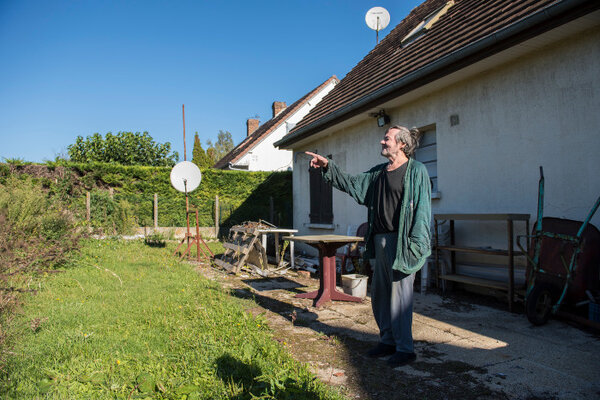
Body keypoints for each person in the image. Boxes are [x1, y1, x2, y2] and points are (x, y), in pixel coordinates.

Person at [305, 125, 431, 368]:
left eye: (387, 139)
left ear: (402, 143)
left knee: (401, 298)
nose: (382, 142)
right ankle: (387, 341)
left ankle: (405, 349)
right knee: (382, 296)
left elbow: (423, 211)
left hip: (402, 241)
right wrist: (328, 167)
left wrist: (416, 246)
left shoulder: (417, 171)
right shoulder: (378, 173)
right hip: (379, 240)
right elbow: (352, 183)